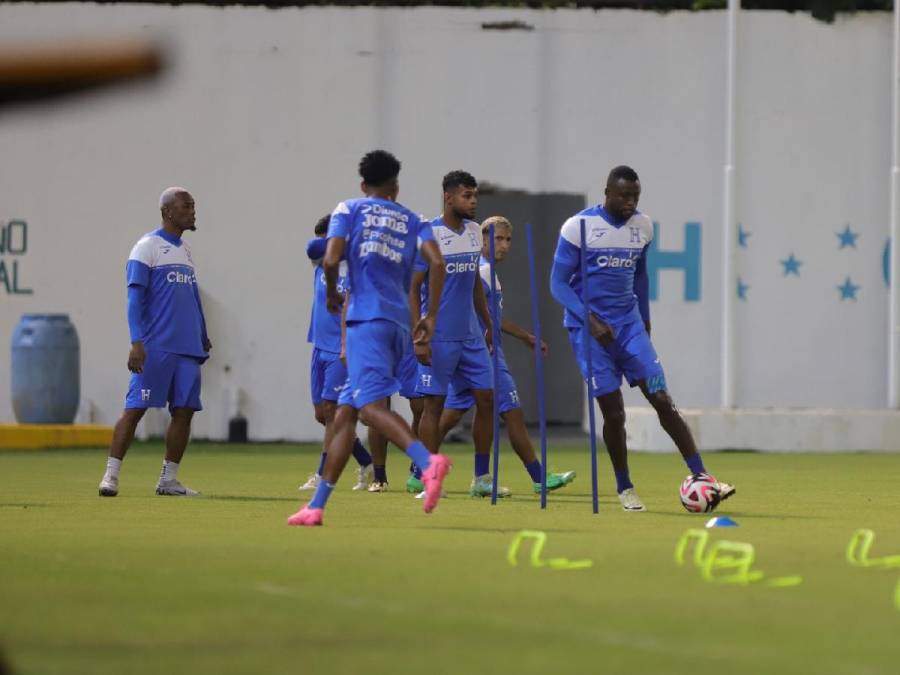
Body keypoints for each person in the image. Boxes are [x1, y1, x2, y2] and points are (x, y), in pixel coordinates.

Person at [550, 165, 736, 511]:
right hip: (588, 331)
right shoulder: (579, 227)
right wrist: (589, 320)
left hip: (630, 327)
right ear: (607, 193)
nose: (631, 202)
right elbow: (557, 284)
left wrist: (645, 323)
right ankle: (624, 487)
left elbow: (640, 277)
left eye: (636, 195)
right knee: (614, 413)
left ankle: (703, 476)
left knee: (661, 397)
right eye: (624, 195)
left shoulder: (644, 227)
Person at [287, 150, 450, 526]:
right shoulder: (414, 218)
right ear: (396, 185)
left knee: (369, 410)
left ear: (363, 185)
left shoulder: (350, 209)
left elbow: (330, 259)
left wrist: (330, 292)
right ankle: (316, 506)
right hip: (398, 324)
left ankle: (429, 462)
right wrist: (430, 316)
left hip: (365, 320)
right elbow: (437, 263)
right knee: (344, 414)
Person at [440, 216, 576, 496]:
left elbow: (492, 316)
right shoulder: (483, 270)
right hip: (484, 352)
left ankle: (419, 471)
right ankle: (538, 478)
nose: (504, 245)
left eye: (508, 240)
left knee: (452, 414)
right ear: (483, 238)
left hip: (473, 351)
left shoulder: (482, 269)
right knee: (512, 413)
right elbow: (482, 314)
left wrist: (525, 336)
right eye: (497, 238)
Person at [98, 187, 210, 497]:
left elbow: (191, 297)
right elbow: (134, 299)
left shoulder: (186, 251)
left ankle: (168, 480)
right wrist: (137, 342)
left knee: (185, 411)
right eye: (187, 206)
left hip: (188, 348)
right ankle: (110, 476)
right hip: (156, 346)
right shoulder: (146, 247)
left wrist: (202, 333)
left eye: (193, 205)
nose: (192, 211)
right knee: (135, 409)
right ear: (168, 212)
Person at [410, 171, 499, 498]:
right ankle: (431, 480)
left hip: (471, 335)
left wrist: (487, 321)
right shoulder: (429, 234)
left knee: (487, 399)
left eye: (475, 195)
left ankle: (481, 477)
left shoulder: (476, 232)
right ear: (448, 198)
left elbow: (474, 279)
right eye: (466, 195)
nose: (473, 201)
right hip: (438, 335)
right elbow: (413, 287)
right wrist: (418, 333)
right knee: (432, 406)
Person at [299, 214, 374, 492]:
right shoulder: (323, 263)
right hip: (319, 345)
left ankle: (322, 474)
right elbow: (312, 248)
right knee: (323, 414)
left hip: (342, 349)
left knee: (333, 413)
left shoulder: (356, 269)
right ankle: (365, 462)